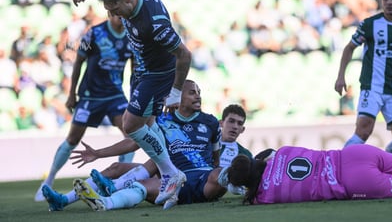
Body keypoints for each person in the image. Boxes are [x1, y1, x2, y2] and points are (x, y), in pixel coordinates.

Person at [72, 0, 192, 204]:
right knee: (148, 125)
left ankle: (170, 173)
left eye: (116, 9)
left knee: (131, 125)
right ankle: (169, 175)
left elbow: (184, 55)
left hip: (156, 75)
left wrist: (176, 92)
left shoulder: (155, 24)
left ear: (127, 0)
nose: (114, 15)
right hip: (140, 70)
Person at [41, 81, 249, 211]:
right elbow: (133, 142)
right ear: (178, 97)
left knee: (218, 173)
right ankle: (98, 203)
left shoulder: (210, 121)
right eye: (192, 92)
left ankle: (237, 185)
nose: (198, 96)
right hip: (172, 178)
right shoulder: (162, 120)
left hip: (202, 178)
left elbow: (214, 160)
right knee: (136, 182)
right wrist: (98, 153)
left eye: (199, 92)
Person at [34, 12, 135, 202]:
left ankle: (121, 180)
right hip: (90, 96)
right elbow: (79, 61)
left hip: (115, 95)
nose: (122, 17)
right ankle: (48, 181)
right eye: (118, 14)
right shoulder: (94, 34)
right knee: (73, 139)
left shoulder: (131, 35)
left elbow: (135, 68)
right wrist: (72, 93)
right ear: (110, 13)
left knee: (131, 134)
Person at [334, 0, 392, 161]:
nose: (389, 2)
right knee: (363, 131)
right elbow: (349, 48)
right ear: (381, 1)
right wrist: (341, 76)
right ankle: (339, 165)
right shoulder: (370, 24)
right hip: (372, 87)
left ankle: (387, 164)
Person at [226, 144, 392, 205]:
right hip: (354, 153)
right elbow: (269, 156)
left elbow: (237, 190)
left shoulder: (265, 196)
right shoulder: (282, 152)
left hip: (354, 183)